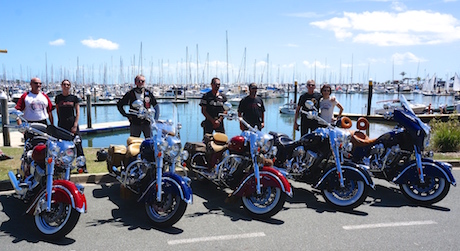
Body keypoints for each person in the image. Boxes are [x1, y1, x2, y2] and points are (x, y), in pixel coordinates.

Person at [55, 79, 87, 172]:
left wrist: (75, 125)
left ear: (70, 86)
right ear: (61, 86)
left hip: (72, 124)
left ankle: (82, 166)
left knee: (78, 144)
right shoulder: (58, 98)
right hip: (62, 125)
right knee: (62, 146)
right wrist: (59, 122)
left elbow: (77, 112)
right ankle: (63, 166)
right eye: (64, 84)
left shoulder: (74, 98)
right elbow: (57, 111)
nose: (66, 86)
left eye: (68, 84)